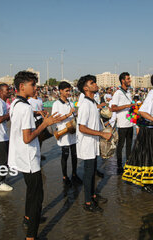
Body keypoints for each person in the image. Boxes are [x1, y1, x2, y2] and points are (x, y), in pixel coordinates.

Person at [8, 71, 61, 240]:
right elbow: (27, 138)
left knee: (31, 191)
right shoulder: (24, 107)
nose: (36, 88)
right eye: (33, 85)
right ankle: (31, 236)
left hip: (21, 156)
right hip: (29, 158)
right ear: (22, 86)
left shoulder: (16, 103)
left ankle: (28, 218)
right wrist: (45, 124)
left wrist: (39, 120)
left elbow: (23, 129)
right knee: (37, 196)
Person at [77, 75, 112, 212]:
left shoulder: (92, 103)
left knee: (92, 173)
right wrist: (102, 134)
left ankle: (93, 195)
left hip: (92, 142)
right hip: (86, 144)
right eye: (92, 83)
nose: (96, 84)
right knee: (88, 172)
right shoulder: (85, 104)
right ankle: (87, 202)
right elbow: (82, 127)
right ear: (86, 88)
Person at [51, 81, 82, 185]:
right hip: (63, 133)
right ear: (60, 91)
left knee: (74, 154)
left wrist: (75, 114)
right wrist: (69, 114)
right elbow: (55, 119)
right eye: (67, 91)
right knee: (65, 155)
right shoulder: (56, 104)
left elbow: (72, 116)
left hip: (72, 133)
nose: (69, 92)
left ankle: (74, 174)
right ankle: (64, 176)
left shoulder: (70, 102)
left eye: (70, 90)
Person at [111, 72, 135, 174]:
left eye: (129, 79)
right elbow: (113, 108)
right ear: (122, 81)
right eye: (128, 79)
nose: (130, 80)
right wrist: (126, 106)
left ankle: (128, 164)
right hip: (122, 125)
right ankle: (119, 166)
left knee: (129, 145)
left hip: (130, 123)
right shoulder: (118, 93)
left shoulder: (128, 92)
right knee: (120, 146)